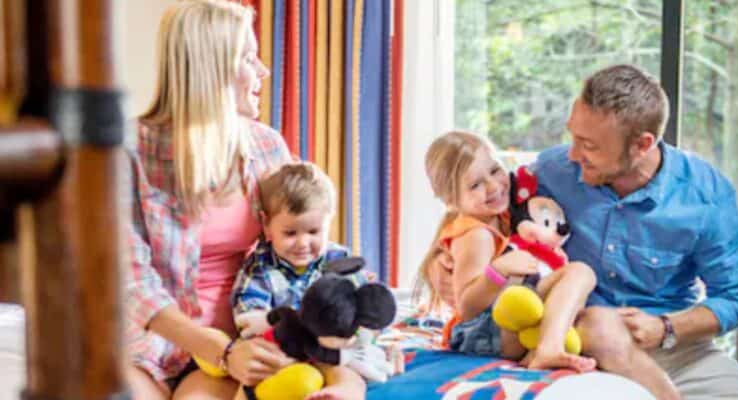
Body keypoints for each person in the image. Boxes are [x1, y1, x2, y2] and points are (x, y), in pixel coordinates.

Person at [428, 64, 738, 400]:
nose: (573, 154)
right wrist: (437, 263)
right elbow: (475, 205)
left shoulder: (704, 196)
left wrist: (666, 327)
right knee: (595, 326)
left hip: (671, 350)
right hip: (570, 335)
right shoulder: (552, 170)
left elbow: (737, 298)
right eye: (572, 136)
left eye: (588, 145)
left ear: (642, 145)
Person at [125, 2, 361, 399]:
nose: (263, 72)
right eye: (249, 59)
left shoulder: (266, 147)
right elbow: (130, 282)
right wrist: (221, 349)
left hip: (245, 339)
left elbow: (299, 247)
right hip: (151, 342)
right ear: (211, 70)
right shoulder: (129, 152)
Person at [418, 131, 597, 372]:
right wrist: (498, 270)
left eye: (494, 171)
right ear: (451, 201)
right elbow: (467, 307)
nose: (493, 186)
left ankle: (542, 347)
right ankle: (548, 348)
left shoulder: (498, 214)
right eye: (475, 185)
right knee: (579, 272)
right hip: (481, 332)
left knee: (577, 277)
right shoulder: (476, 235)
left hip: (505, 319)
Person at [230, 162, 371, 399]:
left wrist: (366, 337)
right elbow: (248, 315)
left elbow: (368, 308)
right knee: (251, 378)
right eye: (291, 233)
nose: (303, 243)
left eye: (314, 232)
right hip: (282, 350)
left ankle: (341, 393)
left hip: (330, 348)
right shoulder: (260, 267)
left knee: (347, 371)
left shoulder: (340, 261)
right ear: (266, 224)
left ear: (329, 221)